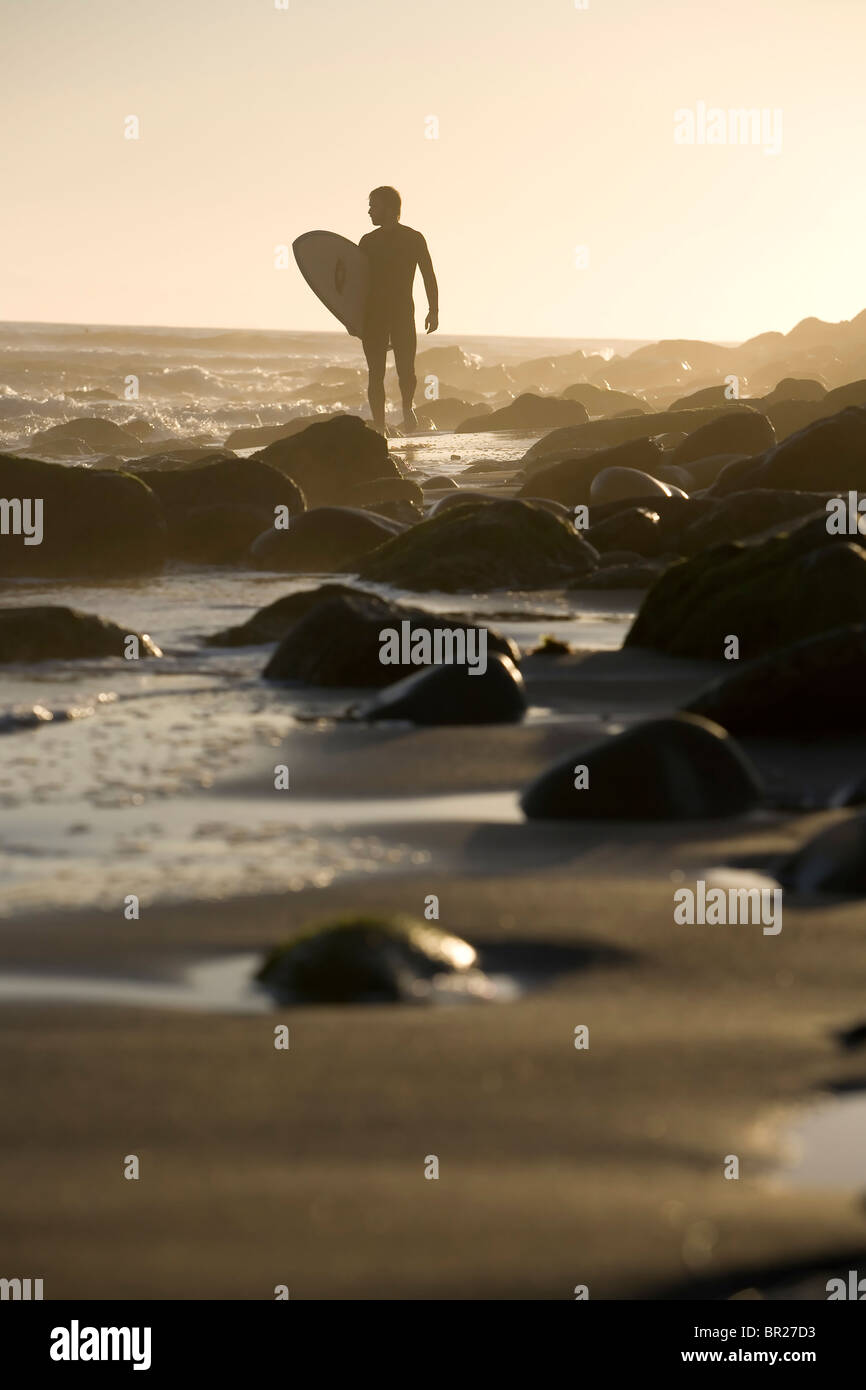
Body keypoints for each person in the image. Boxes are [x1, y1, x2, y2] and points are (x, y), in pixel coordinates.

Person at [359, 186, 438, 434]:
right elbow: (355, 283)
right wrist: (352, 318)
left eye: (374, 205)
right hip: (373, 316)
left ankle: (407, 407)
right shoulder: (367, 242)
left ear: (390, 208)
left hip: (402, 313)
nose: (369, 210)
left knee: (407, 371)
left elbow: (428, 274)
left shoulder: (413, 238)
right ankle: (380, 426)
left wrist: (433, 309)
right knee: (376, 374)